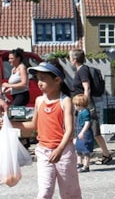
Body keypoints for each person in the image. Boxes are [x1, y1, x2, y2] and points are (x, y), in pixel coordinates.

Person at [11, 61, 82, 199]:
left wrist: (59, 150)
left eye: (43, 79)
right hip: (43, 152)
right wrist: (10, 124)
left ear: (57, 80)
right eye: (38, 79)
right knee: (44, 192)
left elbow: (70, 130)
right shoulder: (39, 101)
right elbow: (32, 126)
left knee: (70, 194)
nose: (39, 83)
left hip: (64, 153)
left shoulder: (65, 101)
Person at [69, 48, 112, 165]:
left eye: (70, 58)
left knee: (94, 130)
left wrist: (84, 104)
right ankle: (104, 154)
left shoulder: (82, 71)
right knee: (90, 130)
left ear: (74, 59)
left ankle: (106, 154)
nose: (69, 60)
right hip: (82, 104)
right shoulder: (80, 70)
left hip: (85, 104)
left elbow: (87, 88)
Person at [73, 93, 94, 173]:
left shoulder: (85, 112)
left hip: (85, 134)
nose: (74, 106)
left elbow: (87, 123)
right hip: (79, 132)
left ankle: (86, 166)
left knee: (86, 150)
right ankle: (79, 163)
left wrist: (82, 132)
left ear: (80, 104)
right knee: (78, 149)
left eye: (75, 105)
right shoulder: (80, 112)